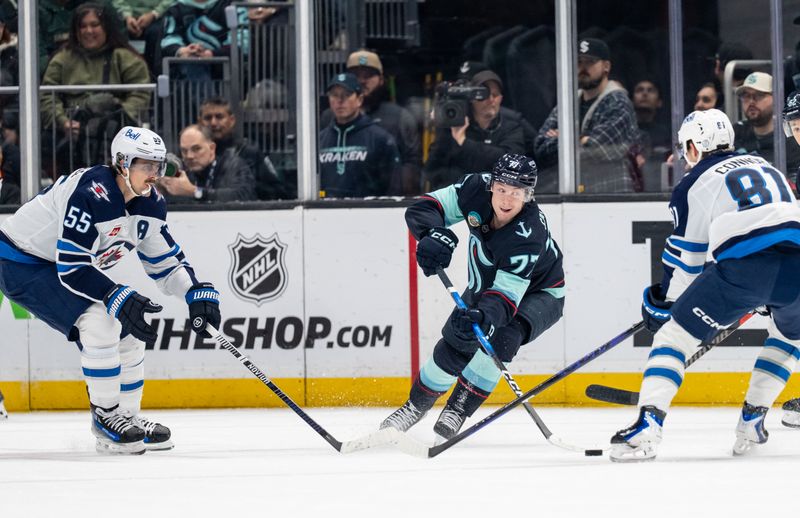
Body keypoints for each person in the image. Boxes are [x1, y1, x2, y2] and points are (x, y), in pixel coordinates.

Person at [0, 126, 222, 454]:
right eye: (145, 165)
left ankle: (127, 417)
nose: (154, 175)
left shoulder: (151, 205)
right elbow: (72, 267)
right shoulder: (91, 192)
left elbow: (168, 266)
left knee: (128, 333)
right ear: (121, 163)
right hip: (20, 262)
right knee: (100, 321)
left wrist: (195, 292)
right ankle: (105, 417)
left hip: (54, 265)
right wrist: (115, 294)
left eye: (158, 166)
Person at [609, 109, 800, 462]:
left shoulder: (693, 184)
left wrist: (668, 306)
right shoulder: (765, 165)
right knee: (788, 337)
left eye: (686, 147)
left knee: (673, 338)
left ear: (695, 145)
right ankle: (753, 420)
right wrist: (769, 292)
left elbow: (689, 259)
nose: (685, 155)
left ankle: (648, 426)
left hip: (747, 266)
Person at [380, 153, 565, 441]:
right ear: (492, 185)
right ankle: (414, 406)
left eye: (516, 193)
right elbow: (425, 207)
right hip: (488, 284)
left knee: (502, 336)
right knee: (458, 337)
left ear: (528, 195)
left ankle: (458, 407)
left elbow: (506, 295)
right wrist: (431, 234)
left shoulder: (530, 233)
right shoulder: (474, 188)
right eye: (502, 189)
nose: (506, 200)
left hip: (542, 293)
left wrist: (486, 315)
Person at [40, 2, 152, 172]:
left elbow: (140, 93)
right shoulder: (62, 59)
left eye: (94, 25)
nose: (88, 31)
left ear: (106, 27)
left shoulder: (125, 57)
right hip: (70, 132)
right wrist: (64, 122)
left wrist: (121, 118)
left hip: (113, 130)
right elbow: (48, 95)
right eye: (83, 26)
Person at [534, 38, 640, 193]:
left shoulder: (617, 102)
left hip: (612, 193)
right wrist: (581, 139)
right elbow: (540, 147)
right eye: (579, 62)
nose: (583, 68)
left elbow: (595, 148)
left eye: (590, 62)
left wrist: (561, 137)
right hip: (578, 191)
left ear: (606, 66)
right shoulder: (569, 102)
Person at [320, 50, 422, 195]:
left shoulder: (399, 116)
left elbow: (411, 163)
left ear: (381, 79)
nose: (362, 81)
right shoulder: (328, 117)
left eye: (368, 76)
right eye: (356, 75)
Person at [423, 64, 525, 190]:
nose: (491, 100)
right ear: (471, 98)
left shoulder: (512, 128)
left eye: (495, 95)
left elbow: (510, 164)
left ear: (501, 98)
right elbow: (431, 172)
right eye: (484, 95)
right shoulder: (453, 127)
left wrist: (464, 143)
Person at [318, 72, 401, 198]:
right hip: (321, 214)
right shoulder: (318, 141)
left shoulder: (381, 139)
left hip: (368, 213)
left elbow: (393, 190)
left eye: (346, 95)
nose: (340, 101)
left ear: (359, 99)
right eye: (334, 95)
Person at [198, 96, 285, 200]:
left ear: (232, 120)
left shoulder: (248, 152)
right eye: (208, 118)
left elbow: (279, 192)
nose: (213, 123)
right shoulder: (190, 153)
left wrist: (248, 184)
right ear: (200, 122)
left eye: (219, 117)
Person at [158, 124, 256, 202]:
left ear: (212, 148)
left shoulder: (233, 165)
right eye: (184, 151)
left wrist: (194, 192)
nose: (189, 156)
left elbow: (242, 196)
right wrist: (160, 189)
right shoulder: (181, 172)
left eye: (196, 149)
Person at [733, 72, 800, 171]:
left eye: (759, 95)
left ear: (777, 98)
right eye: (746, 96)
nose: (751, 101)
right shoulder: (736, 132)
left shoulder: (792, 137)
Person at [631, 79, 671, 191]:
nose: (644, 93)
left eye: (650, 90)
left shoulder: (667, 134)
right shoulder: (626, 132)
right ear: (632, 100)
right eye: (640, 90)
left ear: (659, 102)